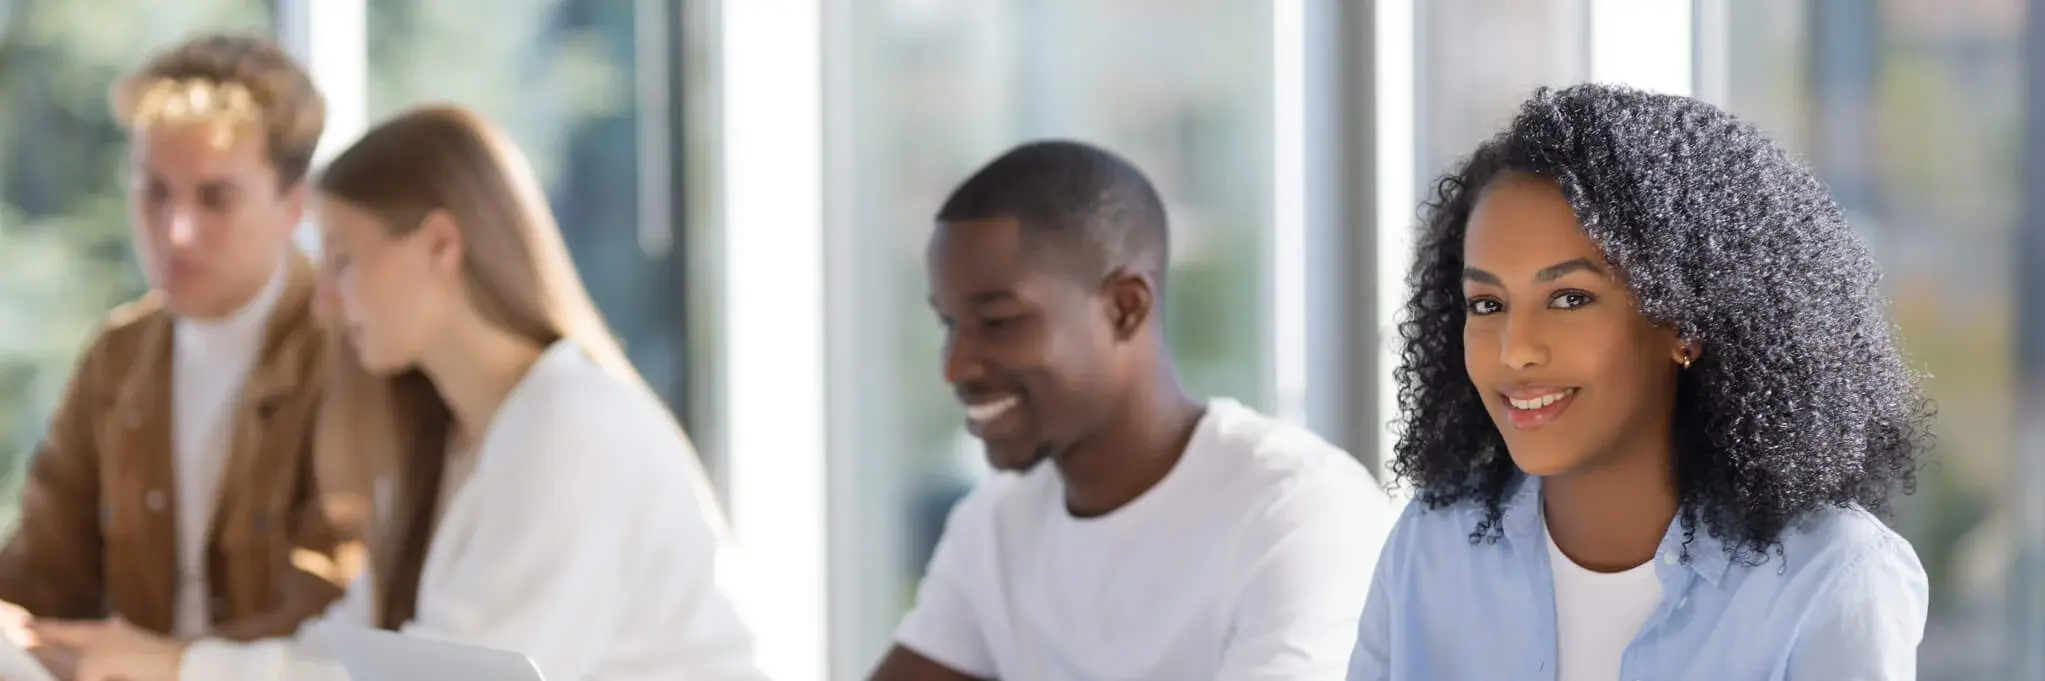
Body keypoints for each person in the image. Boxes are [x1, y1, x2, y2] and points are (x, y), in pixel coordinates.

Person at [34, 105, 769, 681]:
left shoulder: (572, 424)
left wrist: (179, 664)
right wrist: (166, 660)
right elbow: (357, 653)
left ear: (440, 246)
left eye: (344, 262)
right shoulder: (450, 440)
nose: (324, 303)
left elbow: (460, 675)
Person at [1346, 83, 1932, 681]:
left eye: (1569, 299)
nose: (1515, 349)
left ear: (1685, 323)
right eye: (1488, 304)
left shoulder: (1829, 580)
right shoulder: (1432, 548)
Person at [870, 140, 1394, 681]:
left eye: (999, 322)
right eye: (950, 324)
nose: (956, 367)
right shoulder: (997, 523)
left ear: (1125, 307)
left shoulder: (1298, 510)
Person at [0, 33, 360, 652]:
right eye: (153, 192)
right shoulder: (119, 356)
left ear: (293, 206)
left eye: (215, 198)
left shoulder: (351, 354)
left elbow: (335, 618)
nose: (177, 232)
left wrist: (165, 665)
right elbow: (40, 575)